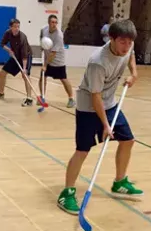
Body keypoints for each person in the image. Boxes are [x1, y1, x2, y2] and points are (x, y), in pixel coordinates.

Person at [57, 20, 143, 215]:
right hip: (89, 107)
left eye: (129, 42)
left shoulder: (128, 46)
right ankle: (67, 192)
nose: (126, 46)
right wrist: (105, 125)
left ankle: (119, 182)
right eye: (122, 42)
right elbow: (95, 96)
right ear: (111, 39)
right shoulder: (98, 62)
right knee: (82, 150)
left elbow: (131, 56)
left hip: (110, 103)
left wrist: (134, 74)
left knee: (128, 140)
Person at [0, 18, 34, 106]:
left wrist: (24, 69)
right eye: (15, 27)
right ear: (10, 27)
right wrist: (9, 50)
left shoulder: (22, 37)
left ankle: (29, 99)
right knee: (2, 73)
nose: (17, 29)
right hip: (16, 56)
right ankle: (1, 93)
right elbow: (2, 44)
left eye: (18, 27)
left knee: (25, 75)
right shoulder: (8, 33)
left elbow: (24, 55)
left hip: (26, 56)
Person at [39, 15, 75, 108]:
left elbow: (53, 53)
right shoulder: (44, 29)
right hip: (47, 58)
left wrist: (45, 65)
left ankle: (71, 99)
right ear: (48, 23)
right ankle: (42, 96)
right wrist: (42, 45)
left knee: (63, 79)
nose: (54, 24)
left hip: (58, 60)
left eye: (56, 22)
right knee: (43, 77)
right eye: (52, 22)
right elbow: (41, 37)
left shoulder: (59, 35)